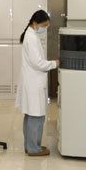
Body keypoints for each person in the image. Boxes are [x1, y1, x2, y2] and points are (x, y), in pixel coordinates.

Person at [15, 10, 59, 156]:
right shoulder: (31, 38)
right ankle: (34, 149)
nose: (44, 29)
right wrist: (54, 63)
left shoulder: (30, 35)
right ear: (35, 23)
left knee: (30, 115)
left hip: (32, 81)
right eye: (44, 26)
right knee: (36, 116)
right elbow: (37, 63)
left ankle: (30, 146)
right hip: (33, 83)